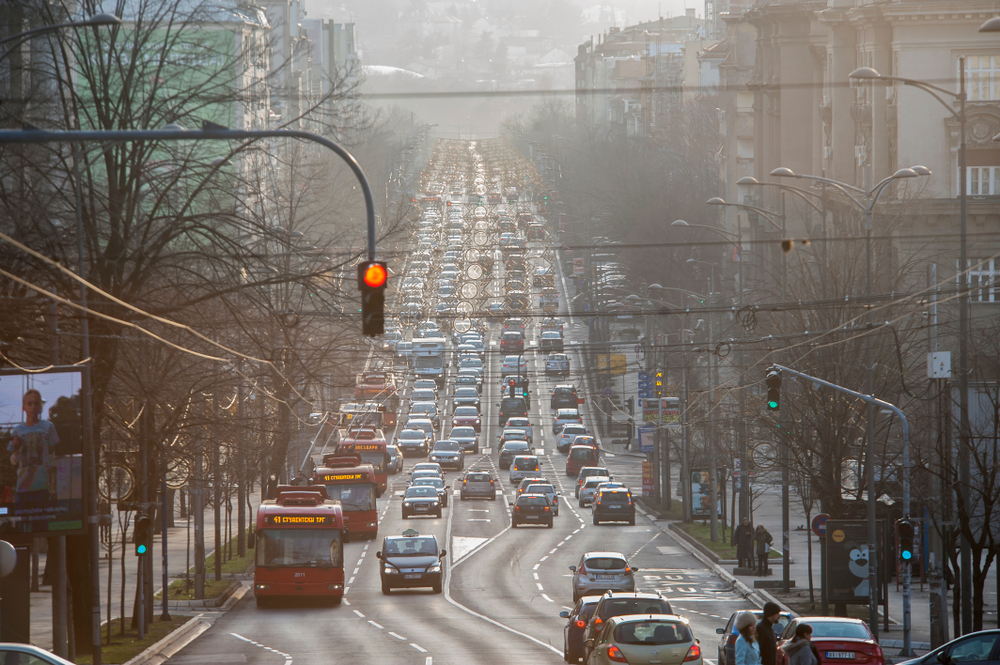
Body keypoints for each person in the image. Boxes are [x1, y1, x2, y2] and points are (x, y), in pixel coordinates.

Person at [7, 389, 59, 507]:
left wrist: (51, 484)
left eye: (36, 403)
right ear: (23, 407)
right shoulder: (17, 430)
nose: (33, 407)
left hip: (41, 487)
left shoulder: (48, 426)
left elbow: (53, 457)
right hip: (23, 488)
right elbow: (13, 462)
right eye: (29, 404)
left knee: (40, 523)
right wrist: (16, 449)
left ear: (40, 407)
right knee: (22, 523)